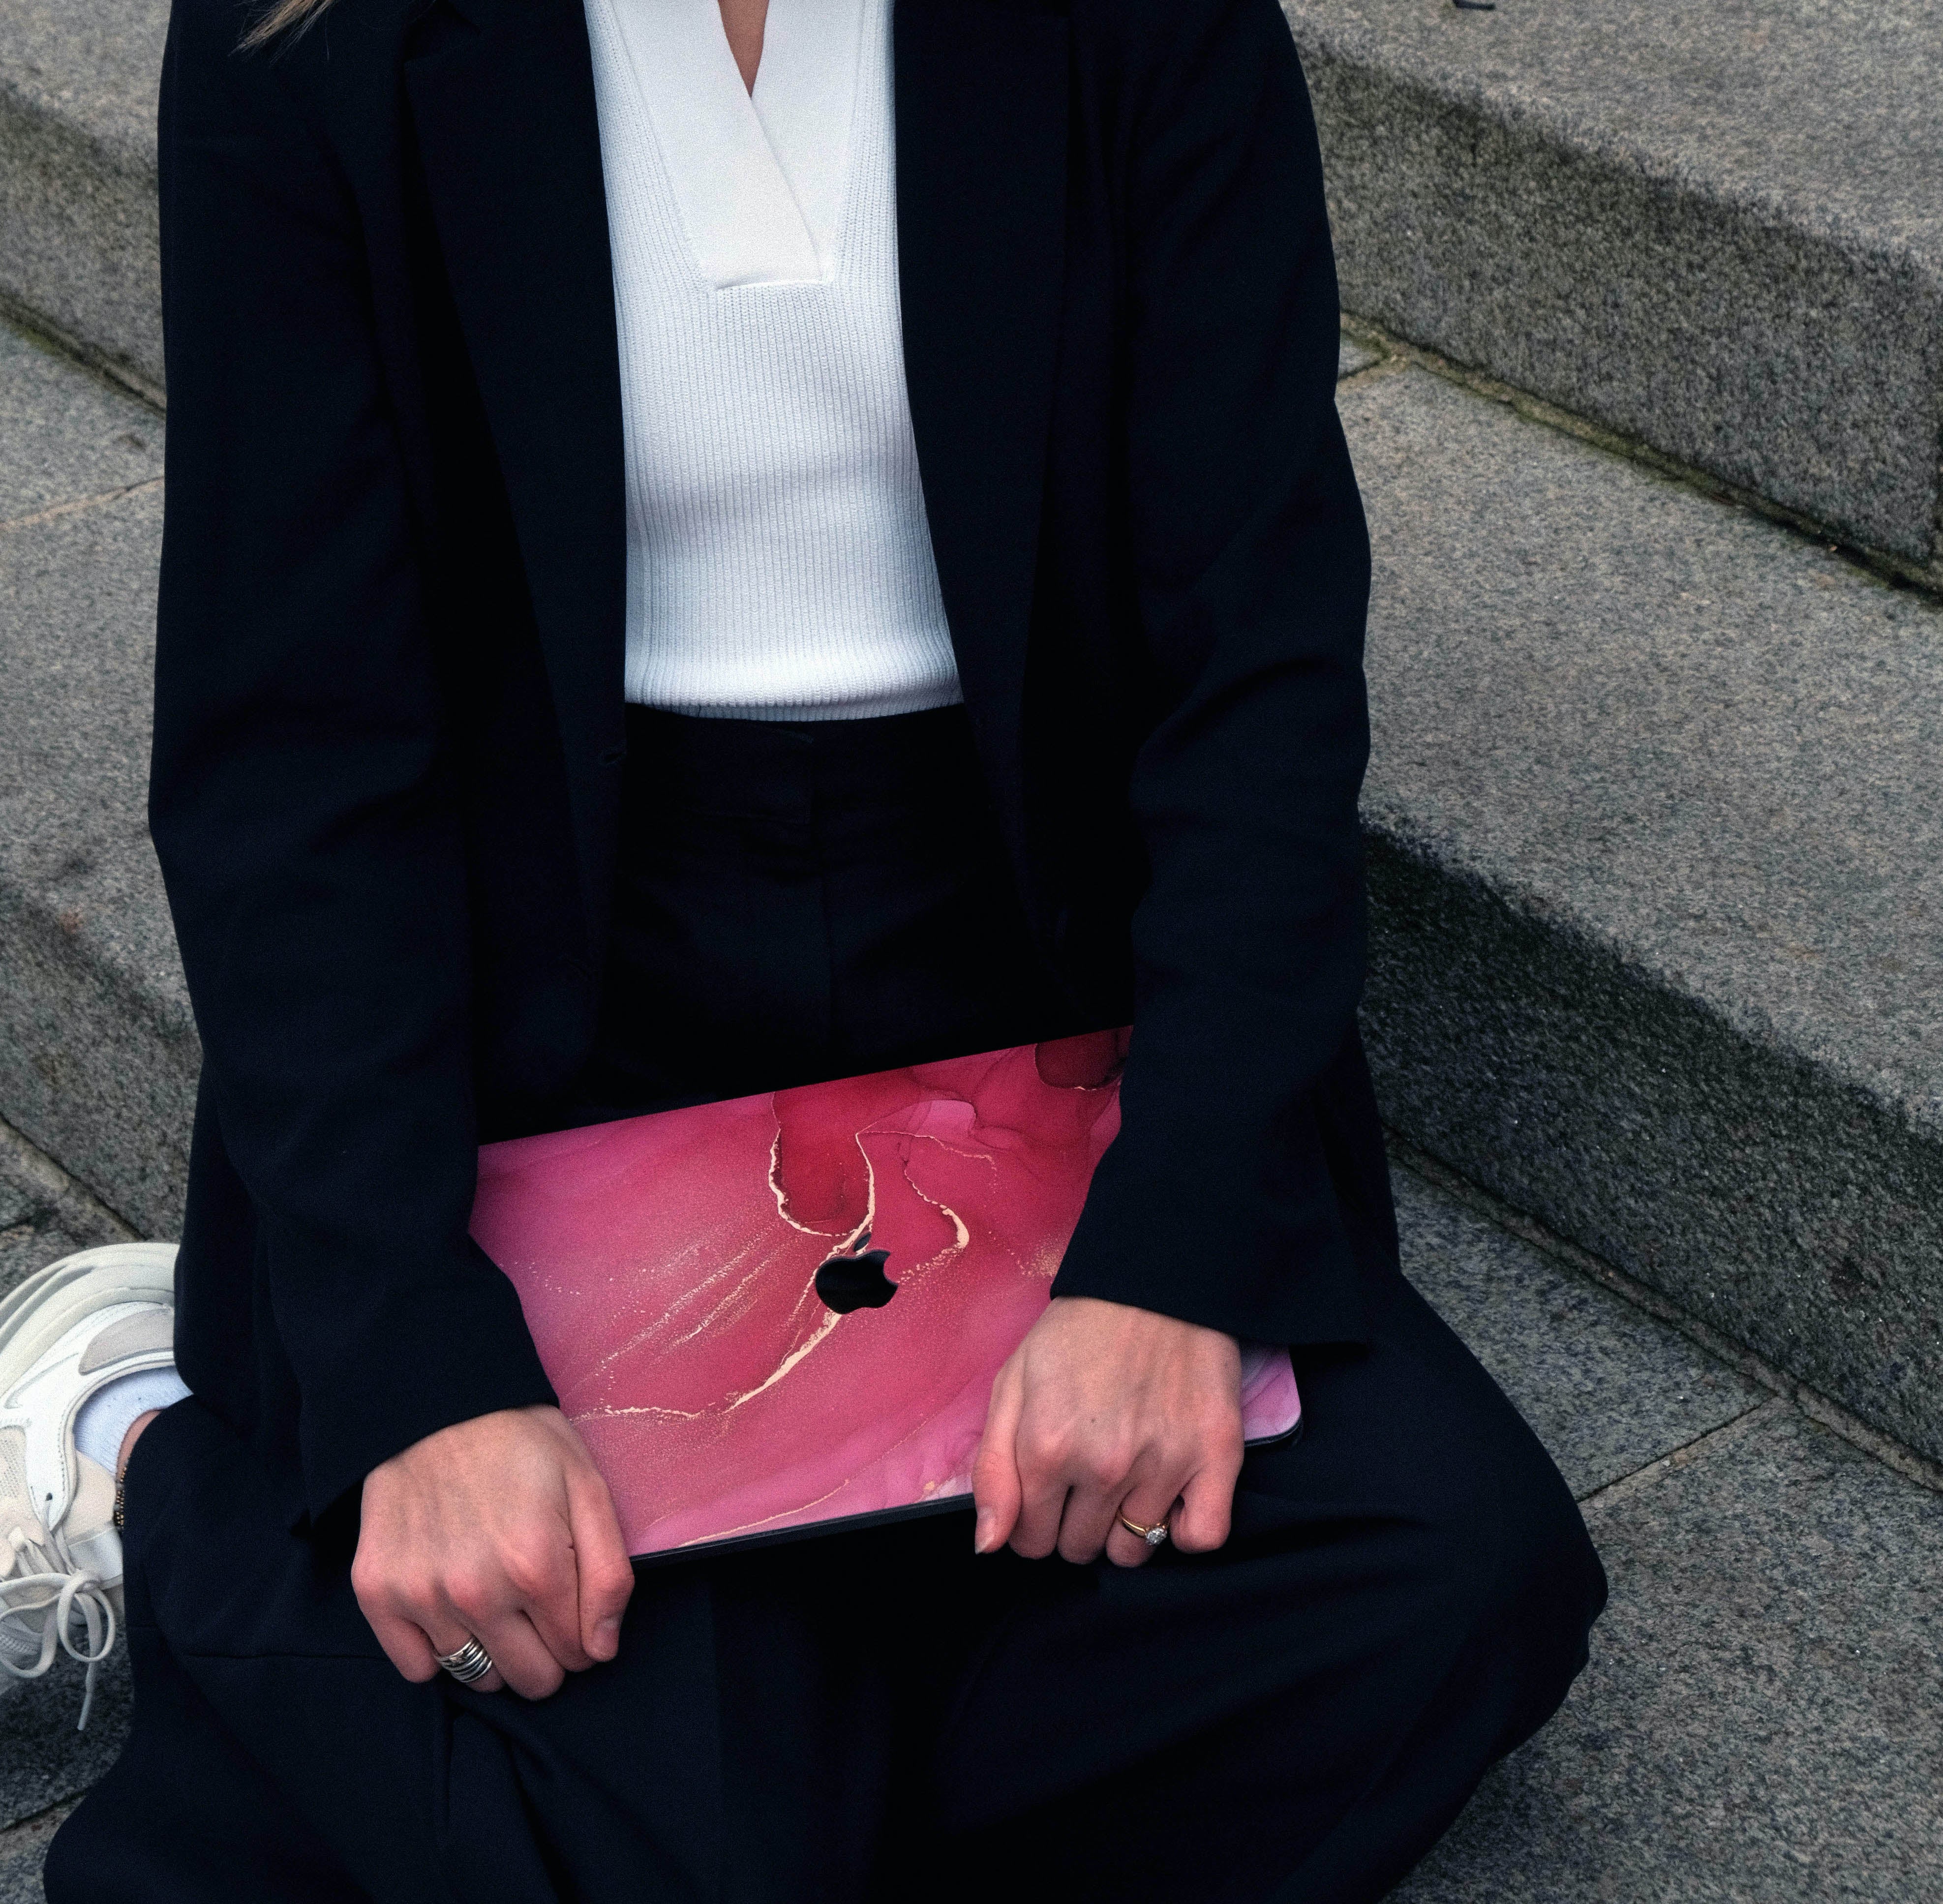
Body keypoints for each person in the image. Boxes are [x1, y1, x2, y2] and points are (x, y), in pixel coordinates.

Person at [17, 0, 1607, 1893]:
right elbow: (295, 754)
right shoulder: (315, 39)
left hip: (1021, 983)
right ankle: (147, 1450)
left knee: (1438, 1580)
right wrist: (414, 1377)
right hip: (563, 1003)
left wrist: (1172, 1259)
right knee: (590, 1734)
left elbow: (1253, 676)